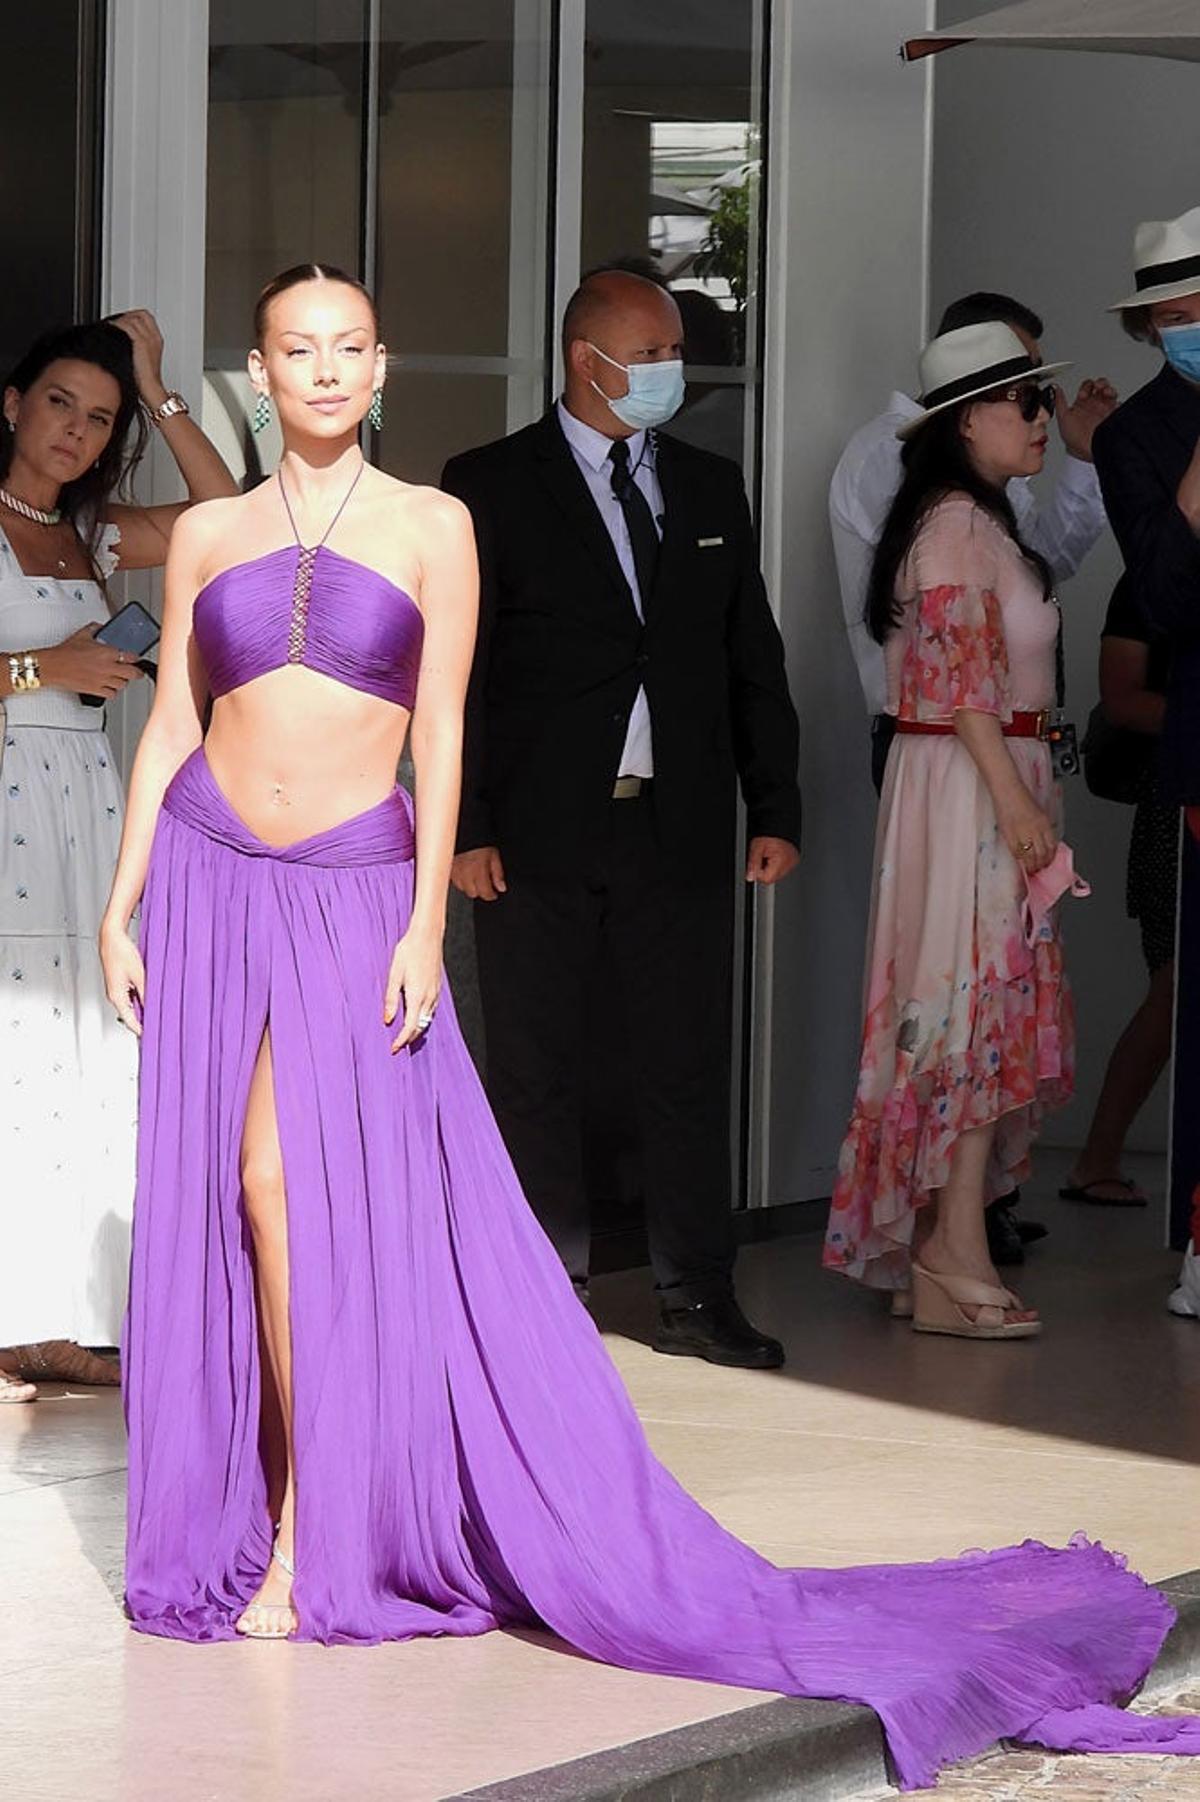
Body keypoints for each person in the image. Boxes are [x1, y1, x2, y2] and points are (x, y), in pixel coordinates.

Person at [99, 264, 1200, 1790]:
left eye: (350, 345)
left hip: (357, 885)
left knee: (297, 1190)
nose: (327, 368)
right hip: (215, 875)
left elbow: (445, 726)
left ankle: (312, 1528)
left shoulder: (437, 522)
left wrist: (421, 919)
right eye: (300, 349)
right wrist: (122, 900)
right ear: (266, 370)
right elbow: (171, 718)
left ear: (383, 365)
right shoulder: (215, 530)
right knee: (231, 1201)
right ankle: (253, 1501)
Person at [442, 270, 801, 1370]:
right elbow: (461, 672)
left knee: (684, 1064)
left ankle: (697, 1293)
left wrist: (775, 802)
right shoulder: (489, 482)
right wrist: (466, 825)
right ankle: (543, 1299)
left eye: (673, 353)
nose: (666, 373)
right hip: (534, 832)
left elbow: (749, 652)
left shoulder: (708, 485)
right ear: (583, 358)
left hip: (676, 823)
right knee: (536, 1067)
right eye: (647, 354)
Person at [829, 290, 1113, 1271]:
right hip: (971, 786)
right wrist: (1018, 802)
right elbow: (961, 686)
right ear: (966, 419)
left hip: (985, 776)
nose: (1041, 417)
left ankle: (945, 1244)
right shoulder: (952, 523)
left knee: (977, 1001)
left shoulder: (976, 519)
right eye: (1025, 400)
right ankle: (951, 1247)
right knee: (970, 1000)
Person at [0, 312, 236, 1403]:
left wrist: (158, 385)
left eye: (101, 418)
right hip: (9, 802)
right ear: (13, 404)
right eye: (59, 403)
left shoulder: (93, 535)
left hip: (82, 806)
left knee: (83, 1055)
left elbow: (226, 515)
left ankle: (61, 1316)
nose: (76, 431)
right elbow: (37, 670)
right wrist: (43, 669)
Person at [1092, 205, 1200, 1318]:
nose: (1184, 329)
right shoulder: (1139, 437)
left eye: (1196, 309)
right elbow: (1165, 598)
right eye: (1167, 318)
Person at [1060, 576, 1174, 1208]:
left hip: (1177, 799)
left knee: (1174, 989)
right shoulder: (1152, 580)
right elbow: (1122, 699)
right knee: (1176, 986)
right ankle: (1097, 1157)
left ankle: (1097, 1158)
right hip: (1176, 805)